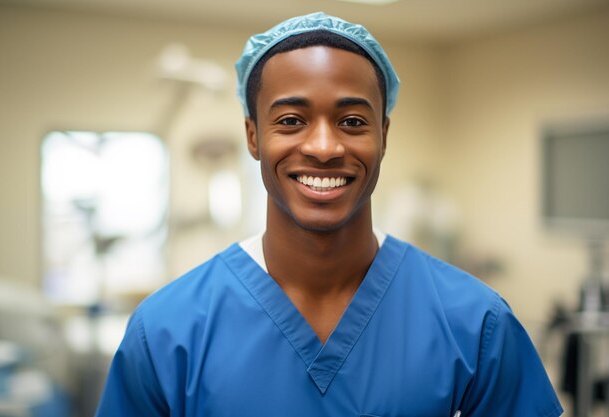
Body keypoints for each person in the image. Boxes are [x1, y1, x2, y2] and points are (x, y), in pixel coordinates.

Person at [95, 12, 563, 417]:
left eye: (353, 122)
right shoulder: (166, 332)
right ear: (253, 136)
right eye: (291, 121)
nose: (323, 147)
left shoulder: (475, 324)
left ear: (383, 134)